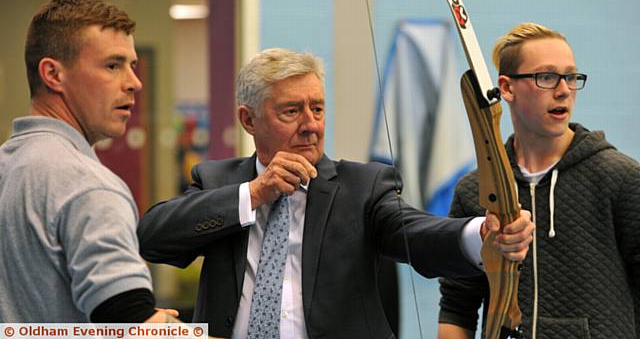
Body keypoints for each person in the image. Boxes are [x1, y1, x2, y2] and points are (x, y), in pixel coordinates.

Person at [137, 48, 534, 338]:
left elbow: (414, 232)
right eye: (292, 111)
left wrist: (481, 234)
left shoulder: (363, 186)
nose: (311, 125)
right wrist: (254, 194)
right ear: (248, 120)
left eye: (319, 109)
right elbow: (152, 237)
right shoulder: (220, 182)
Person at [438, 22, 640, 339]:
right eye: (546, 77)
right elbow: (456, 307)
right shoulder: (475, 190)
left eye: (571, 77)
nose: (563, 89)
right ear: (506, 88)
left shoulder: (621, 178)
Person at [0, 0, 179, 323]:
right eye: (113, 65)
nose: (134, 83)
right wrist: (166, 328)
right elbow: (131, 323)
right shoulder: (86, 185)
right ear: (53, 74)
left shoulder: (9, 166)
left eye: (132, 66)